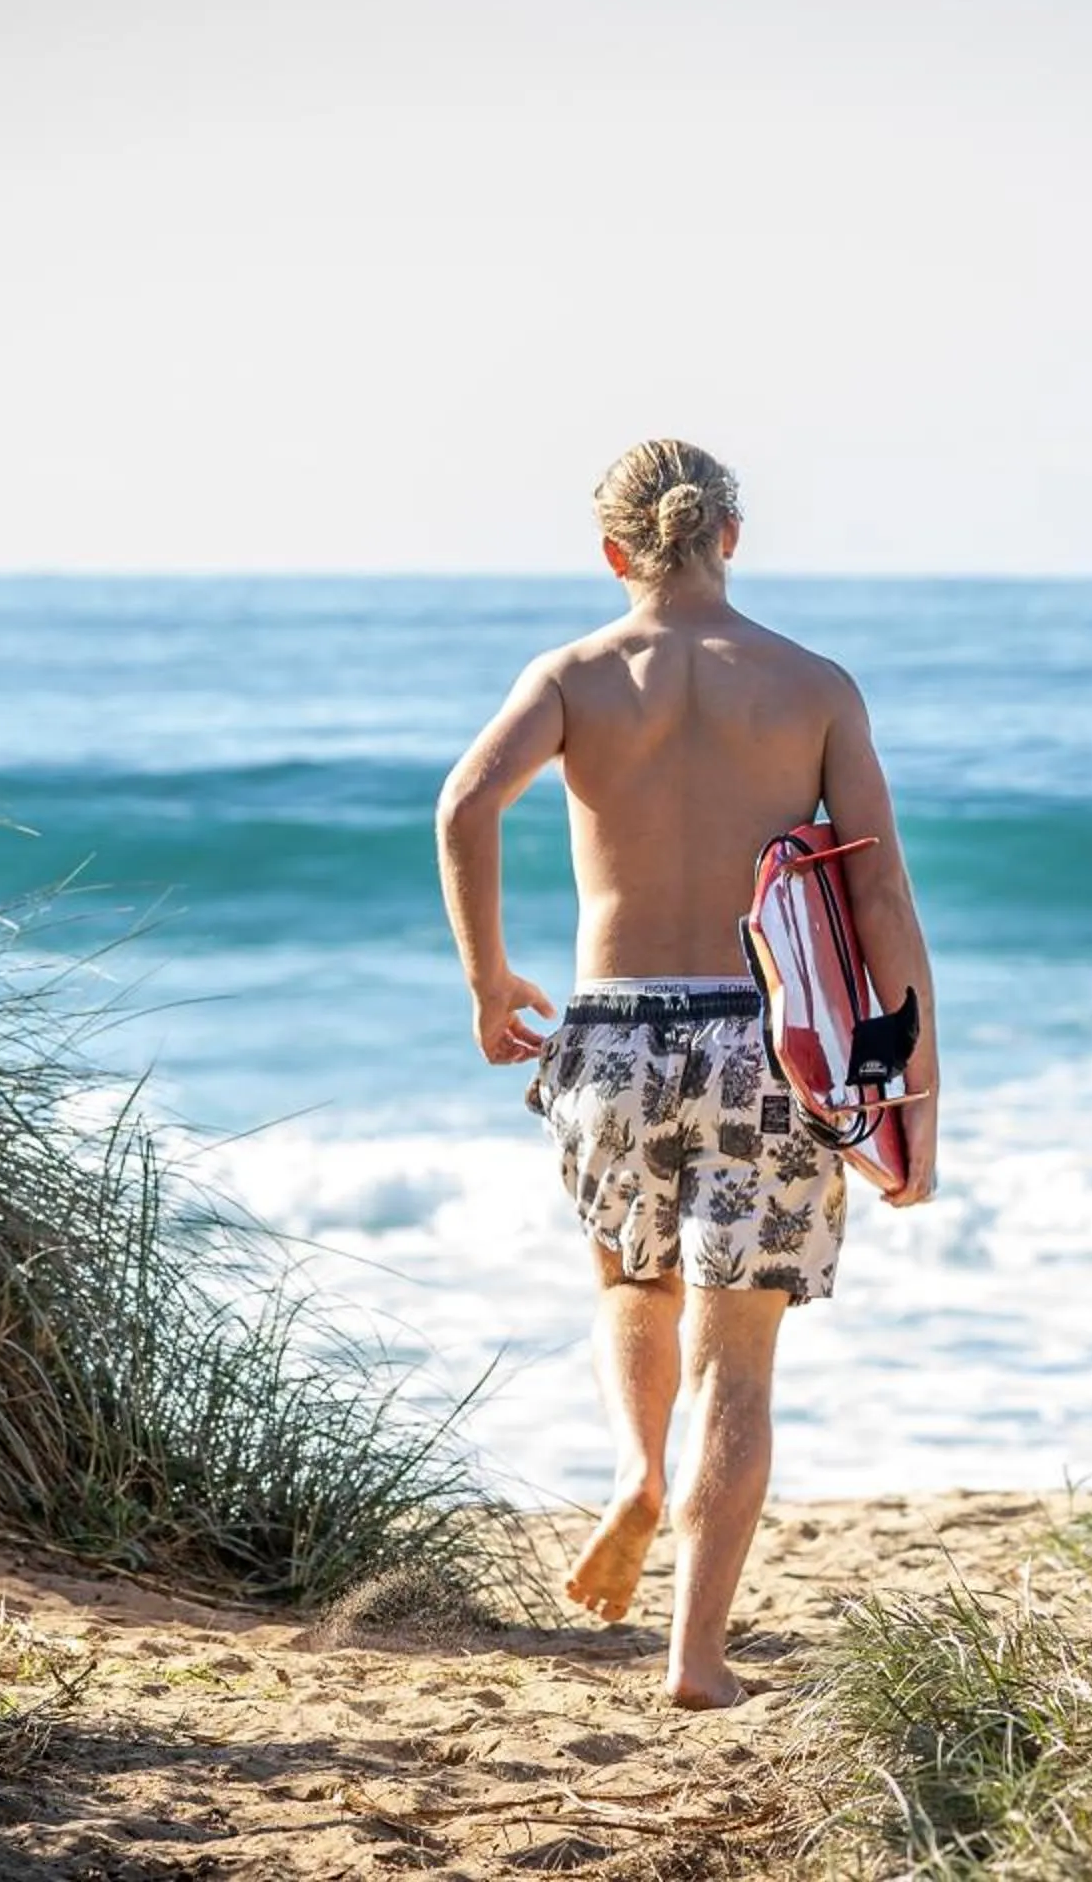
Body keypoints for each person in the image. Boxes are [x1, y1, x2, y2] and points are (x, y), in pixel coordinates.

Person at [434, 438, 940, 1709]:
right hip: (764, 1039)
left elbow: (463, 807)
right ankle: (696, 1656)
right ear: (732, 536)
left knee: (630, 1282)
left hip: (610, 1032)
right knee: (737, 1360)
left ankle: (635, 1471)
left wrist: (490, 981)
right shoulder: (813, 686)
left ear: (614, 551)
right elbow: (878, 892)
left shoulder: (574, 676)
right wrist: (912, 1092)